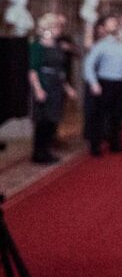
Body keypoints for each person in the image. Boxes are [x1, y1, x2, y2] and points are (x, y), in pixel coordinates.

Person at [82, 15, 122, 156]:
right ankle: (95, 146)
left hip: (120, 83)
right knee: (100, 116)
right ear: (104, 27)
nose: (114, 25)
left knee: (118, 114)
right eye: (111, 23)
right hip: (105, 82)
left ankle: (115, 143)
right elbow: (89, 64)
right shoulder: (100, 45)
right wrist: (94, 82)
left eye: (115, 23)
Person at [28, 13, 76, 164]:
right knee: (42, 121)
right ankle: (38, 153)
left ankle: (47, 150)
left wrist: (67, 87)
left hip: (56, 86)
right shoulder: (36, 45)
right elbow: (33, 70)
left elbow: (60, 70)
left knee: (53, 120)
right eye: (56, 26)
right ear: (47, 27)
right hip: (43, 84)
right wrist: (38, 89)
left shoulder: (57, 45)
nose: (59, 29)